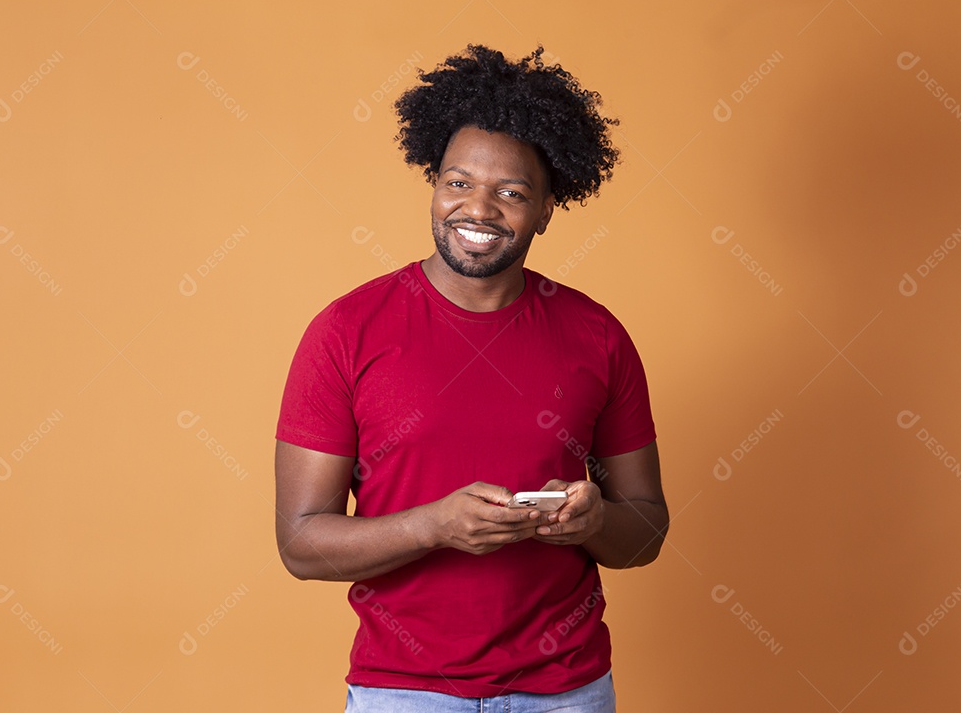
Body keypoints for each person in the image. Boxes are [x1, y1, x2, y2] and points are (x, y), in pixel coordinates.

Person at [275, 44, 669, 713]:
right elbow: (301, 542)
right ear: (433, 183)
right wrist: (432, 527)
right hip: (402, 694)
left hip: (566, 692)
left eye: (511, 192)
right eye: (458, 182)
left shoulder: (597, 337)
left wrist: (593, 521)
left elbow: (647, 530)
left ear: (546, 209)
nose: (478, 209)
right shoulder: (346, 331)